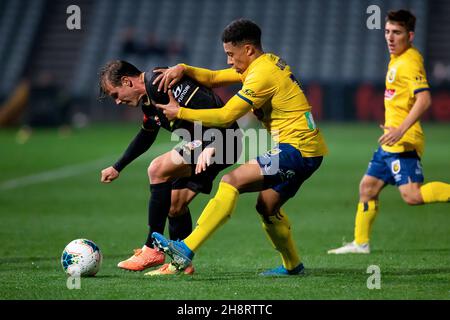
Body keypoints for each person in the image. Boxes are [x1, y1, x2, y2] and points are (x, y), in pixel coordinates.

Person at [151, 19, 328, 276]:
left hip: (298, 149)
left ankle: (185, 249)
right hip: (307, 148)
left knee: (231, 180)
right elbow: (212, 78)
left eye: (231, 54)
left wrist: (180, 112)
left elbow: (225, 116)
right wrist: (182, 68)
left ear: (248, 49)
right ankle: (293, 266)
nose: (228, 61)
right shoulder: (264, 63)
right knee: (267, 206)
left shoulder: (261, 74)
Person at [98, 60, 241, 275]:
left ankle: (152, 248)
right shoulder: (148, 99)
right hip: (207, 143)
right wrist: (118, 167)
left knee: (157, 168)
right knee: (175, 205)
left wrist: (211, 145)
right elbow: (146, 134)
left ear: (126, 81)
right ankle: (180, 263)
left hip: (222, 140)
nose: (117, 102)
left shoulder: (162, 83)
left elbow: (216, 109)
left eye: (115, 95)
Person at [328, 10, 450, 255]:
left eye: (397, 32)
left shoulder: (409, 61)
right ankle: (360, 243)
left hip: (402, 141)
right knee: (368, 188)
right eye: (387, 32)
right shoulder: (397, 58)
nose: (390, 38)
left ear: (410, 35)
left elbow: (424, 100)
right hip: (389, 143)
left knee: (412, 196)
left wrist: (401, 129)